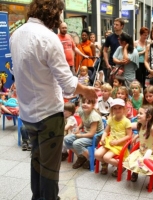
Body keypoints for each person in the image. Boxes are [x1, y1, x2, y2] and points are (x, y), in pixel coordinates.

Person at [9, 0, 98, 199]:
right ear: (51, 11)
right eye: (59, 13)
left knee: (36, 160)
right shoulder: (49, 38)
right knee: (49, 170)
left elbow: (18, 72)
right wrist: (86, 90)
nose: (60, 18)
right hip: (48, 115)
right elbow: (68, 85)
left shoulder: (16, 35)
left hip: (28, 114)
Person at [123, 105, 153, 182]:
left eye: (141, 113)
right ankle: (135, 173)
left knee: (144, 165)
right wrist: (136, 136)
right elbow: (142, 133)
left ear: (148, 117)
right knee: (131, 161)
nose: (138, 115)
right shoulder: (141, 125)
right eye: (138, 113)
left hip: (152, 154)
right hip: (141, 151)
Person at [95, 98, 132, 176]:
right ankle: (104, 165)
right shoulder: (111, 119)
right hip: (110, 142)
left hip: (119, 145)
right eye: (115, 108)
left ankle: (121, 166)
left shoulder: (126, 121)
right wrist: (102, 138)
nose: (117, 110)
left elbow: (129, 135)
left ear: (124, 109)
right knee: (97, 154)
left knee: (106, 157)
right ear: (112, 110)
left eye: (119, 108)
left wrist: (117, 142)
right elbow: (106, 131)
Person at [64, 97, 104, 169]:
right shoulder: (82, 111)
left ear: (93, 105)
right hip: (85, 133)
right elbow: (83, 121)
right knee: (66, 139)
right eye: (84, 102)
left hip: (95, 137)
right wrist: (78, 128)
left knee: (76, 143)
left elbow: (92, 134)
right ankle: (81, 156)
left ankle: (91, 159)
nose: (85, 104)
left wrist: (79, 136)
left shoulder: (94, 116)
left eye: (88, 103)